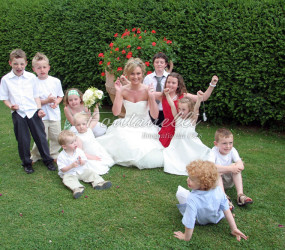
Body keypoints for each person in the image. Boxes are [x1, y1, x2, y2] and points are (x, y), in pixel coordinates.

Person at [97, 58, 164, 169]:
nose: (135, 77)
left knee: (141, 147)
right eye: (132, 74)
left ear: (142, 74)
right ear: (127, 75)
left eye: (138, 73)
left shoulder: (148, 90)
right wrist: (118, 92)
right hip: (127, 124)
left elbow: (155, 116)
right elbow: (116, 112)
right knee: (122, 138)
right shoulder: (123, 90)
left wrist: (151, 97)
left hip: (144, 125)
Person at [0, 49, 56, 174]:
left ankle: (48, 160)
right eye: (15, 64)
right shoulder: (6, 79)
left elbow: (36, 96)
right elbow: (4, 98)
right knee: (23, 139)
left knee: (41, 137)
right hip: (18, 113)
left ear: (25, 63)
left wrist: (39, 109)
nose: (18, 67)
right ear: (10, 63)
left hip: (33, 112)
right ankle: (27, 163)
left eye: (21, 64)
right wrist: (11, 106)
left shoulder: (31, 77)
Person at [174, 160, 248, 242]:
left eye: (191, 179)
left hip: (199, 221)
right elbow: (226, 209)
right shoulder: (218, 191)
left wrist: (186, 237)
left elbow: (190, 220)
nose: (187, 180)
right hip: (215, 218)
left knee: (180, 192)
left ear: (203, 184)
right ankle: (221, 216)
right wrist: (234, 228)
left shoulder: (192, 198)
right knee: (222, 206)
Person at [153, 72, 218, 148]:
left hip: (181, 125)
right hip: (167, 127)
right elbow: (148, 94)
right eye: (168, 82)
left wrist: (212, 85)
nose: (170, 85)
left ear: (178, 85)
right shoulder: (162, 95)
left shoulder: (184, 95)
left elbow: (203, 98)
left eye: (173, 83)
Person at [163, 90, 214, 175]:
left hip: (190, 143)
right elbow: (172, 105)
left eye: (183, 109)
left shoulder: (192, 119)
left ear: (189, 109)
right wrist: (167, 95)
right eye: (179, 109)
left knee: (198, 155)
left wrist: (199, 98)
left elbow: (196, 108)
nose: (180, 111)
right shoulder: (177, 118)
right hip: (177, 144)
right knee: (171, 156)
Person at [57, 130, 112, 199]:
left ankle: (99, 183)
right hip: (69, 173)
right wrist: (71, 166)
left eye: (75, 141)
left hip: (80, 170)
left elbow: (84, 161)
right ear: (64, 146)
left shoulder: (79, 151)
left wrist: (82, 162)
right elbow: (63, 169)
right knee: (67, 179)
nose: (75, 143)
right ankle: (77, 188)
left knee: (90, 172)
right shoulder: (61, 156)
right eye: (72, 143)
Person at [30, 52, 64, 163]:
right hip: (40, 115)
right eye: (38, 68)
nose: (42, 70)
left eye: (44, 67)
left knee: (55, 136)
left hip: (54, 114)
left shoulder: (55, 81)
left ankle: (53, 153)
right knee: (40, 137)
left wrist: (56, 103)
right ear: (34, 69)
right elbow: (34, 100)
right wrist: (47, 101)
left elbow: (60, 96)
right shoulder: (32, 82)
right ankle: (36, 154)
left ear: (49, 67)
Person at [212, 128, 253, 210]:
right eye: (224, 143)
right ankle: (223, 197)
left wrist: (235, 166)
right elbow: (211, 167)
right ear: (216, 144)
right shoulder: (213, 151)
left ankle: (240, 195)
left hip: (229, 180)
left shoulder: (232, 150)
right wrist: (230, 168)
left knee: (236, 165)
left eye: (230, 143)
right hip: (216, 182)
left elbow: (241, 165)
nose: (228, 146)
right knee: (215, 171)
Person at [143, 52, 171, 126]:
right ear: (153, 64)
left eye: (162, 62)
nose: (159, 64)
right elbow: (144, 94)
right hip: (151, 110)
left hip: (166, 110)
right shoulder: (147, 78)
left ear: (165, 64)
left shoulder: (170, 77)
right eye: (157, 62)